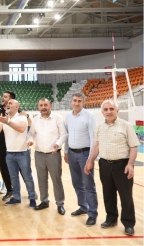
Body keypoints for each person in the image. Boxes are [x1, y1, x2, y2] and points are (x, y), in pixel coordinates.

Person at [84, 100, 139, 236]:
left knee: (126, 196)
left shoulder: (126, 126)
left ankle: (128, 223)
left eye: (111, 109)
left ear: (117, 111)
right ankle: (111, 219)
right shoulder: (99, 128)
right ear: (102, 112)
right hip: (104, 164)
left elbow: (133, 146)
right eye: (106, 109)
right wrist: (90, 160)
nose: (109, 112)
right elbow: (96, 146)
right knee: (108, 194)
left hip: (122, 165)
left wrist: (130, 164)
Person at [0, 99, 36, 208]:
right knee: (13, 177)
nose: (7, 105)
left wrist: (7, 122)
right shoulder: (5, 118)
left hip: (23, 153)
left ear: (17, 107)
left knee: (27, 177)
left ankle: (32, 198)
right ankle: (16, 197)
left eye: (11, 103)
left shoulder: (22, 117)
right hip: (10, 154)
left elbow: (21, 129)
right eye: (7, 104)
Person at [27, 98, 67, 215]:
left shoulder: (58, 118)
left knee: (56, 180)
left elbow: (63, 134)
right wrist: (30, 140)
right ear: (38, 107)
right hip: (39, 154)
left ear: (50, 105)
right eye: (41, 105)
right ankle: (44, 201)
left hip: (53, 154)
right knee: (41, 179)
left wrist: (58, 144)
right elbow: (31, 134)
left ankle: (60, 204)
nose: (43, 107)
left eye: (45, 105)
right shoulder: (35, 120)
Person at [64, 93, 98, 226]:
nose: (76, 103)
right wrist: (66, 151)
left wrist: (91, 158)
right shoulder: (68, 116)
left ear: (84, 102)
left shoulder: (90, 116)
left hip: (85, 154)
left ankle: (93, 213)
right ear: (71, 102)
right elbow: (67, 136)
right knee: (77, 182)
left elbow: (93, 138)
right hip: (72, 154)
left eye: (79, 101)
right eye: (74, 101)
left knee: (89, 184)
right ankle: (83, 206)